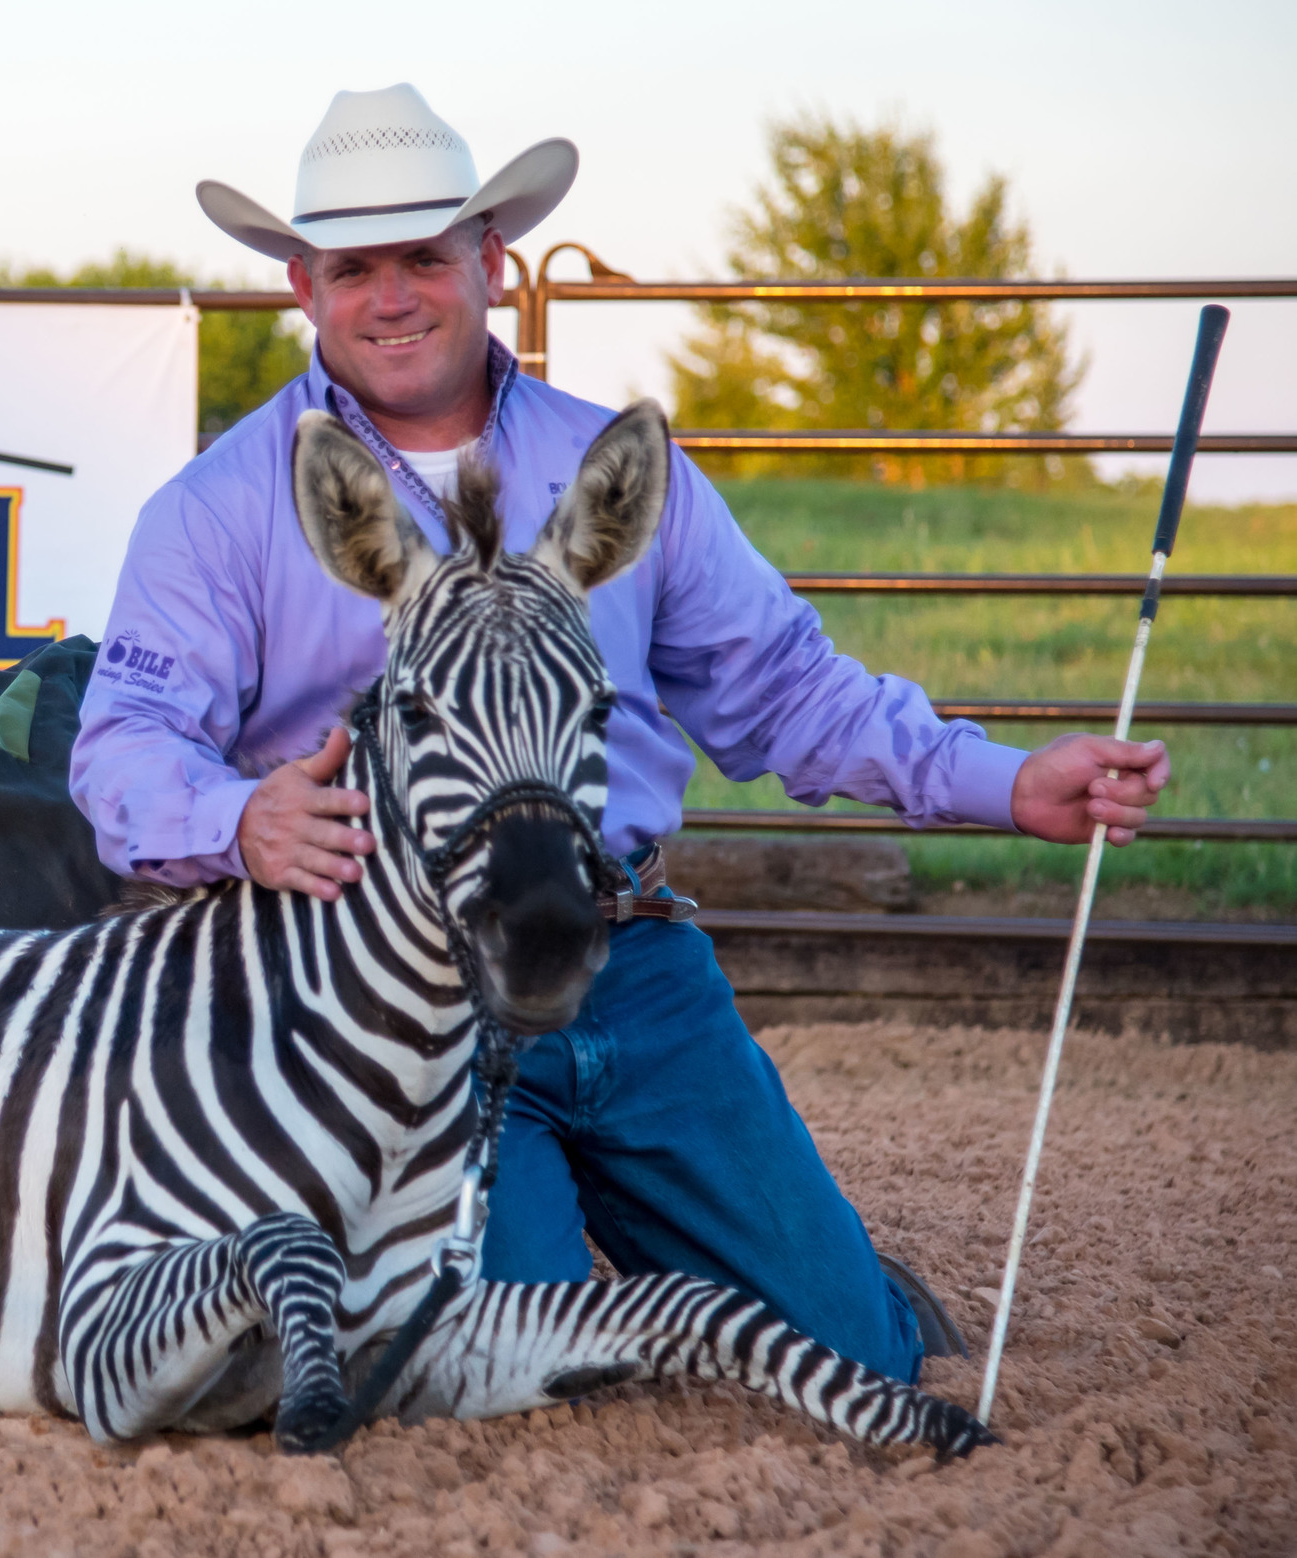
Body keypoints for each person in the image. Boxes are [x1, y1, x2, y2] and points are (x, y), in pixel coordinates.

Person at [68, 83, 1170, 1382]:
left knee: (855, 1348)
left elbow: (786, 687)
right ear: (303, 286)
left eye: (425, 257)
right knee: (506, 1362)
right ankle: (571, 1249)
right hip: (395, 993)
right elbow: (123, 744)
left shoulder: (618, 473)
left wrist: (1008, 782)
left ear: (492, 260)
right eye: (354, 268)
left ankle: (754, 1258)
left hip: (628, 953)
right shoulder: (218, 509)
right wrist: (240, 817)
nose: (392, 297)